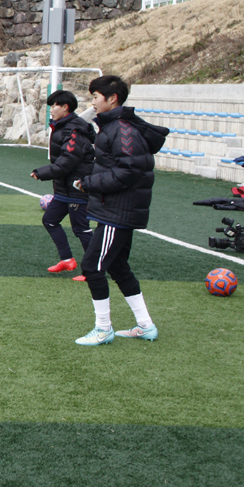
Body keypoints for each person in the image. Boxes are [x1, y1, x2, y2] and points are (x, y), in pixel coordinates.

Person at [72, 75, 169, 346]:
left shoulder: (123, 129)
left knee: (92, 265)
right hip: (115, 209)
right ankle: (146, 325)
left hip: (118, 211)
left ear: (112, 98)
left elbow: (128, 171)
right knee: (118, 266)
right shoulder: (112, 126)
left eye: (95, 97)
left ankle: (103, 330)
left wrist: (88, 183)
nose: (92, 102)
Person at [30, 90, 95, 281]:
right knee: (49, 220)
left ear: (65, 107)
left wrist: (42, 173)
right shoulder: (62, 126)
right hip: (64, 188)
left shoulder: (74, 130)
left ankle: (93, 270)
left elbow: (68, 161)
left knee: (81, 229)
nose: (51, 109)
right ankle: (67, 260)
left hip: (77, 187)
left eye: (54, 105)